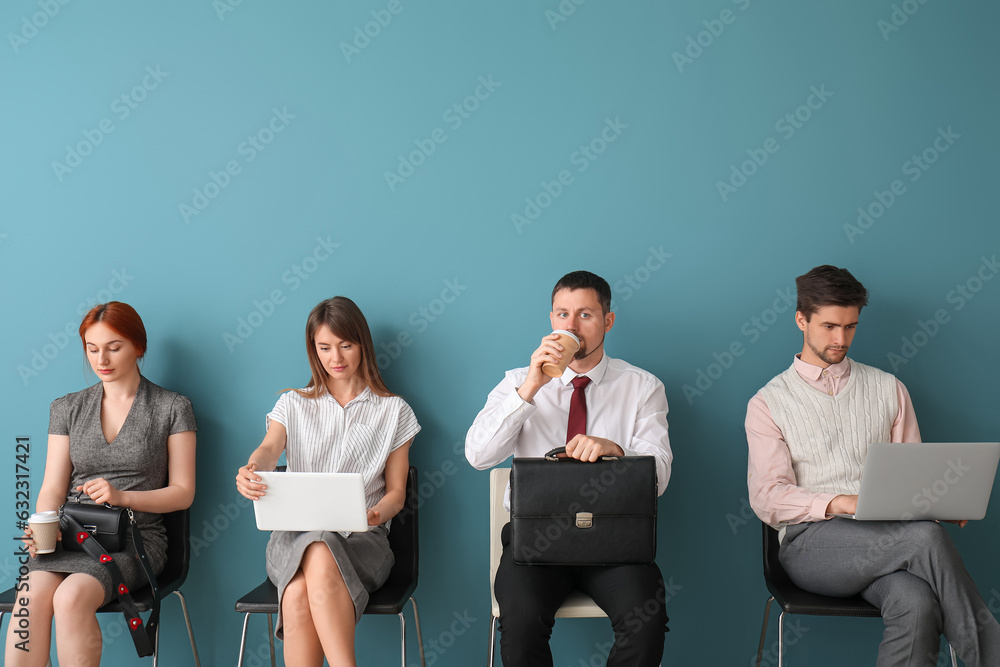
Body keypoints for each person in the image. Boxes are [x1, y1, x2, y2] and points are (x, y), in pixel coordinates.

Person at [746, 265, 1000, 666]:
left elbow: (913, 476)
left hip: (889, 539)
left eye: (850, 327)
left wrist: (939, 503)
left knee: (917, 602)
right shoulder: (768, 402)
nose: (840, 339)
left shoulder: (888, 388)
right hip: (812, 547)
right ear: (801, 319)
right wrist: (842, 502)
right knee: (923, 540)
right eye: (830, 326)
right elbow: (767, 497)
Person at [466, 270, 672, 666]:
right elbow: (478, 456)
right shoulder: (515, 382)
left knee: (646, 620)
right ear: (551, 321)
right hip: (536, 542)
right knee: (522, 622)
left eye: (585, 315)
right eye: (562, 314)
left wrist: (617, 450)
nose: (571, 326)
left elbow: (659, 477)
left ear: (608, 322)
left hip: (615, 542)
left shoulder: (643, 387)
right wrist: (529, 389)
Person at [4, 302, 197, 667]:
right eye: (92, 349)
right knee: (29, 595)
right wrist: (42, 529)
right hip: (72, 534)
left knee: (70, 597)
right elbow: (52, 487)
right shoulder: (67, 408)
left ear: (138, 347)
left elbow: (183, 492)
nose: (101, 359)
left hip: (135, 541)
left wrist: (121, 496)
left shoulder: (173, 407)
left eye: (114, 347)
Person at [235, 296, 419, 667]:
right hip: (291, 542)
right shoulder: (293, 403)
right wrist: (252, 467)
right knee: (315, 548)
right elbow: (270, 448)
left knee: (301, 587)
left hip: (364, 542)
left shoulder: (394, 410)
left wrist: (375, 513)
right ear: (313, 350)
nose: (335, 357)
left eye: (345, 345)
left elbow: (397, 493)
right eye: (324, 347)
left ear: (362, 344)